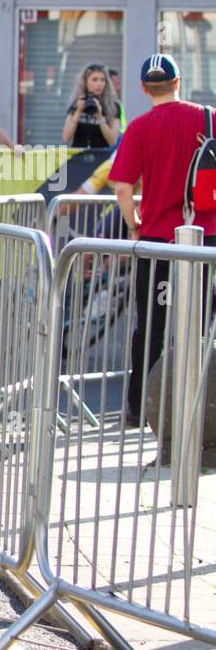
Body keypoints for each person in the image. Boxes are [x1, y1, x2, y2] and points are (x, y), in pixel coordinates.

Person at [109, 53, 216, 425]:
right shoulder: (209, 118)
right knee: (204, 325)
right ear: (178, 81)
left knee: (151, 326)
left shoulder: (138, 127)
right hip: (207, 240)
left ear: (143, 88)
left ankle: (140, 409)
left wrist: (134, 223)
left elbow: (123, 188)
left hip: (157, 241)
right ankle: (200, 408)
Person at [62, 63, 121, 149]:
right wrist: (78, 112)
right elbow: (66, 138)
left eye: (102, 80)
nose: (99, 84)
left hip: (102, 159)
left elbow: (113, 141)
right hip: (79, 157)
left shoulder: (113, 106)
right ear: (85, 82)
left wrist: (100, 117)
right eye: (94, 80)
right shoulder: (77, 103)